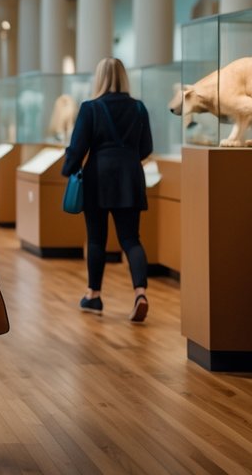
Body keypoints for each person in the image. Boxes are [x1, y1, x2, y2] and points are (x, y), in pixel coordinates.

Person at [61, 57, 153, 322]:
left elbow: (78, 146)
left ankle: (93, 295)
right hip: (130, 178)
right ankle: (140, 294)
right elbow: (146, 148)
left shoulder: (91, 108)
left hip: (98, 179)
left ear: (99, 78)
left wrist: (68, 169)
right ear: (124, 77)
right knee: (131, 239)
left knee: (97, 239)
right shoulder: (138, 108)